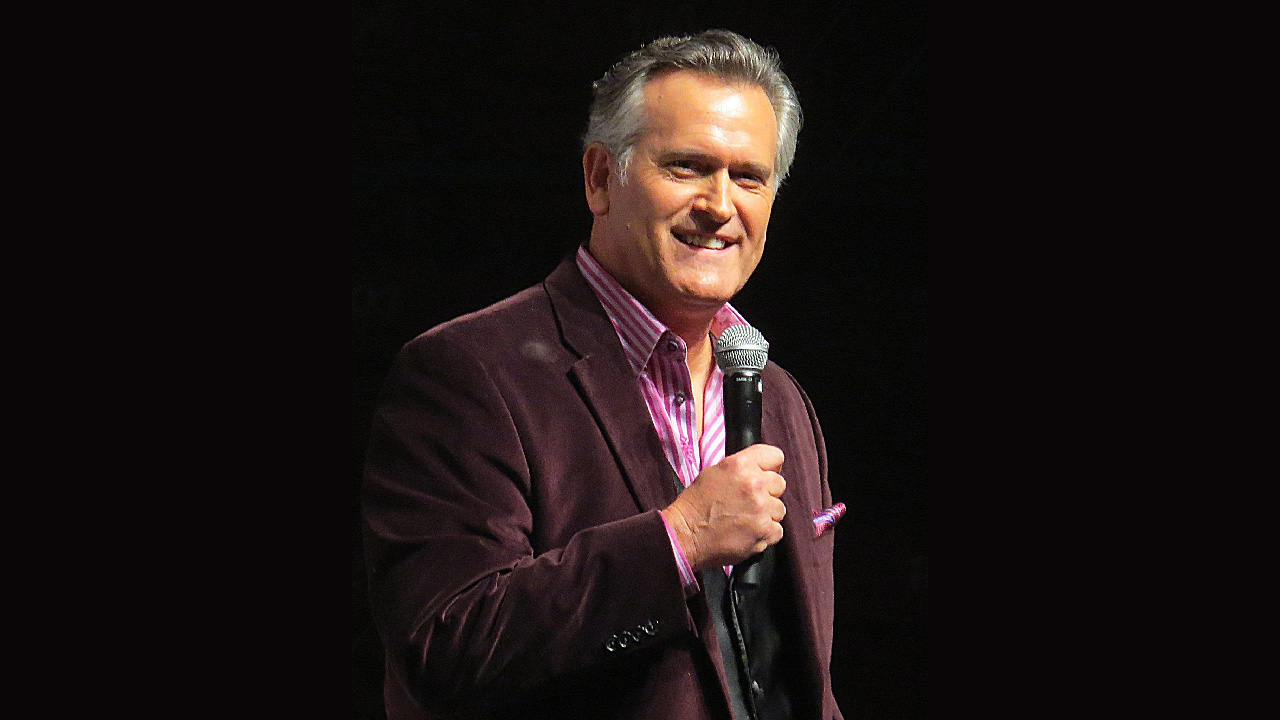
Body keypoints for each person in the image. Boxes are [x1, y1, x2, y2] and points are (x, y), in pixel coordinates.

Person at [361, 29, 843, 720]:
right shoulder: (467, 373)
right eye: (685, 167)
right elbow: (447, 649)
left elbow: (795, 677)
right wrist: (678, 540)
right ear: (598, 178)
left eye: (748, 177)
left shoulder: (782, 397)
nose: (718, 204)